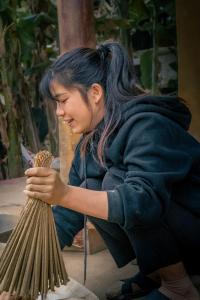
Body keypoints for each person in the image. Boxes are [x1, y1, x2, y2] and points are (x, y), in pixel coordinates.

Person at [23, 42, 200, 300]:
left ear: (94, 92)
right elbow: (69, 212)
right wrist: (28, 270)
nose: (59, 112)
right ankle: (153, 275)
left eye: (62, 101)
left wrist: (63, 194)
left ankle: (178, 287)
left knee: (114, 183)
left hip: (194, 227)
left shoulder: (148, 124)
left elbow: (143, 201)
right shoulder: (91, 142)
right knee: (90, 188)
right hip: (175, 233)